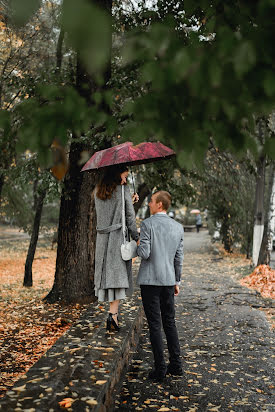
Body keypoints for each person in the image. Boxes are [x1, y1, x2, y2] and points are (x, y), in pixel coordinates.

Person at [137, 191, 184, 382]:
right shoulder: (178, 227)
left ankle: (160, 369)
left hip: (150, 282)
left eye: (152, 201)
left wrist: (138, 242)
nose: (149, 203)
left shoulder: (147, 224)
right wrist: (177, 281)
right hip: (168, 281)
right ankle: (176, 366)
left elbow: (145, 253)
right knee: (170, 322)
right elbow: (178, 258)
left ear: (159, 205)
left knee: (155, 325)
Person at [94, 165, 139, 332]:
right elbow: (129, 216)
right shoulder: (123, 190)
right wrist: (136, 236)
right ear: (116, 175)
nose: (125, 180)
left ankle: (113, 315)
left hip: (102, 239)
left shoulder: (98, 190)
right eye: (124, 176)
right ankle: (113, 315)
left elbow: (111, 207)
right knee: (118, 278)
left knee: (108, 277)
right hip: (117, 238)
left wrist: (128, 200)